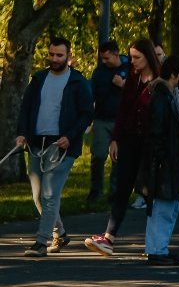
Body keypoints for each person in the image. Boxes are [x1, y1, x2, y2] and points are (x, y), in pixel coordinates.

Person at [15, 37, 94, 257]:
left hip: (61, 146)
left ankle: (41, 242)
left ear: (68, 57)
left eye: (59, 55)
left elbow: (87, 114)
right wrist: (22, 133)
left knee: (50, 194)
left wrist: (70, 136)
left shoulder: (78, 82)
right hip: (36, 143)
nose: (54, 59)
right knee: (38, 196)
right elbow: (26, 108)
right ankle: (61, 232)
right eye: (51, 54)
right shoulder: (39, 78)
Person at [86, 39, 157, 257]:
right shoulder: (133, 78)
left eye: (137, 57)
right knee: (122, 188)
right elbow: (123, 110)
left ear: (148, 56)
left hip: (150, 142)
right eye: (131, 57)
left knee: (150, 190)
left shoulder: (158, 81)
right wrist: (115, 139)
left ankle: (156, 242)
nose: (132, 62)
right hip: (129, 139)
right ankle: (109, 236)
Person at [139, 56, 179, 267]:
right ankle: (156, 249)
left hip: (168, 158)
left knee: (168, 206)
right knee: (163, 206)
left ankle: (159, 247)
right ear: (175, 74)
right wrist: (161, 156)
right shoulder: (162, 97)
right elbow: (157, 130)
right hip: (164, 159)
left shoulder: (170, 95)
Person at [88, 39, 125, 202]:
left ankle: (115, 192)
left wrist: (122, 85)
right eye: (102, 58)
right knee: (99, 155)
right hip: (102, 118)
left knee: (118, 158)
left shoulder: (130, 66)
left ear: (116, 54)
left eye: (107, 58)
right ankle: (96, 191)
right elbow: (91, 94)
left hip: (121, 119)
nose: (104, 61)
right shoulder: (99, 72)